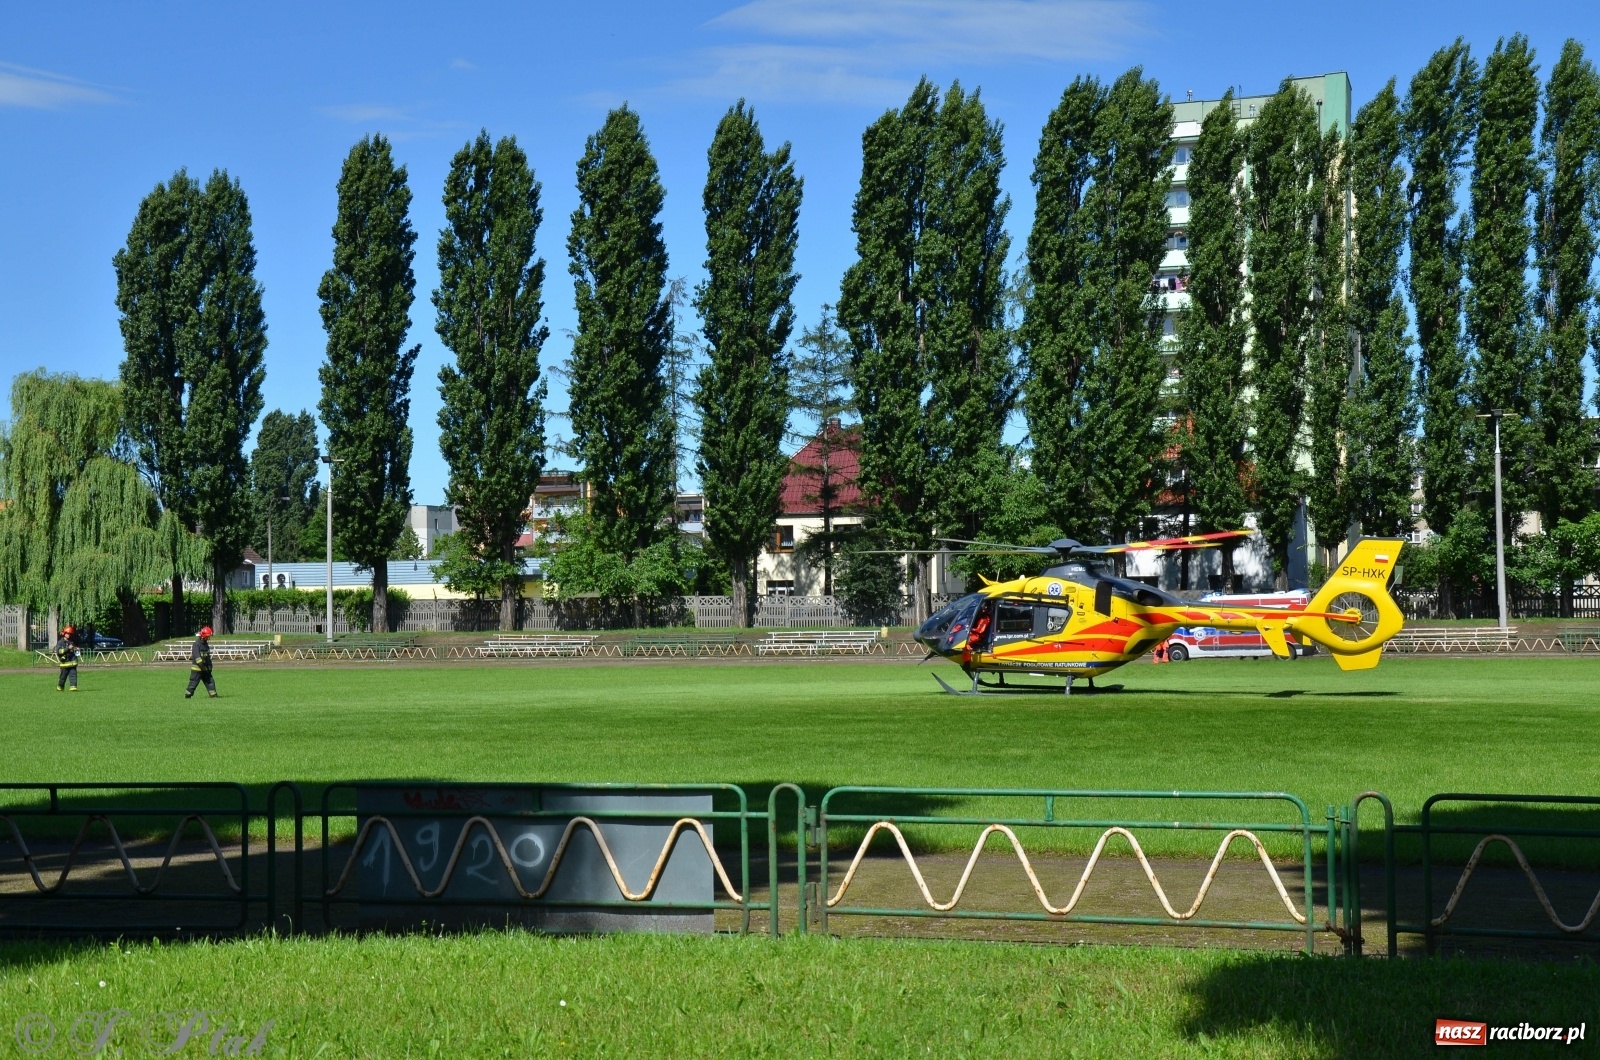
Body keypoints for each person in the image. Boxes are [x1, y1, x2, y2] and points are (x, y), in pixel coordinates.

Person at [185, 626, 218, 698]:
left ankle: (213, 695)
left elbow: (207, 657)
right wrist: (202, 667)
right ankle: (188, 695)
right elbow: (198, 658)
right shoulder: (196, 644)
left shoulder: (206, 645)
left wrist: (209, 666)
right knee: (193, 683)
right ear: (203, 636)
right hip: (197, 669)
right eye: (207, 637)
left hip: (205, 668)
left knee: (210, 682)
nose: (208, 638)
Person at [54, 625, 81, 692]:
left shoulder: (72, 641)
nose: (69, 635)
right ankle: (60, 687)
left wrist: (76, 649)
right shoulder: (60, 642)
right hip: (64, 663)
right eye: (67, 633)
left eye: (70, 634)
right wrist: (67, 649)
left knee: (73, 675)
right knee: (63, 677)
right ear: (64, 633)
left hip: (72, 662)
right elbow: (59, 651)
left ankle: (73, 687)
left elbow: (73, 650)